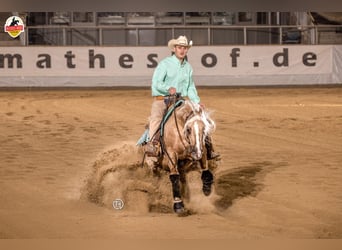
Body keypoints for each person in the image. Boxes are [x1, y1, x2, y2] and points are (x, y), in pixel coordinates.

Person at [145, 35, 219, 160]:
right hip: (162, 100)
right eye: (179, 47)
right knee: (156, 120)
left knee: (199, 119)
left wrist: (197, 102)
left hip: (180, 101)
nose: (182, 50)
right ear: (174, 49)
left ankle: (207, 148)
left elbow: (190, 87)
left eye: (184, 48)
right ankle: (153, 145)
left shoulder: (188, 67)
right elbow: (156, 82)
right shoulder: (165, 64)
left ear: (187, 50)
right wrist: (168, 88)